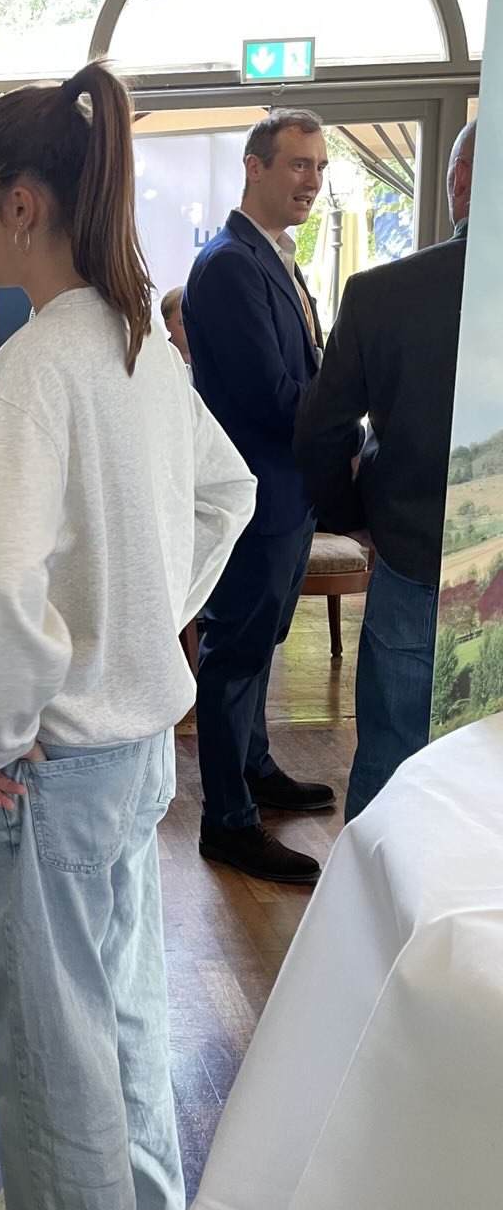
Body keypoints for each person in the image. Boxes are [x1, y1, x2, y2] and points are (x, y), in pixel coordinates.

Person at [0, 62, 256, 1210]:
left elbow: (2, 585)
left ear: (24, 202)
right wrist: (144, 626)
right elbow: (222, 497)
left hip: (51, 767)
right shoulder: (137, 350)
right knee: (123, 1003)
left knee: (59, 1043)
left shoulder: (36, 370)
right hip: (132, 757)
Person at [294, 119, 476, 820]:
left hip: (416, 562)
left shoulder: (383, 294)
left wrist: (350, 516)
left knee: (395, 765)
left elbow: (321, 431)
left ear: (459, 183)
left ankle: (377, 927)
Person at [182, 110, 336, 884]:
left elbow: (300, 369)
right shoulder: (231, 265)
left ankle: (258, 769)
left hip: (288, 491)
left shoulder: (273, 256)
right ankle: (228, 822)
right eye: (297, 165)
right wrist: (345, 400)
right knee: (233, 657)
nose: (311, 180)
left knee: (257, 650)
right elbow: (273, 397)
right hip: (255, 495)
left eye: (318, 167)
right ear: (254, 166)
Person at [159, 284, 191, 369]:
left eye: (194, 322)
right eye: (182, 323)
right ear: (167, 325)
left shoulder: (211, 357)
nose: (190, 328)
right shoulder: (158, 360)